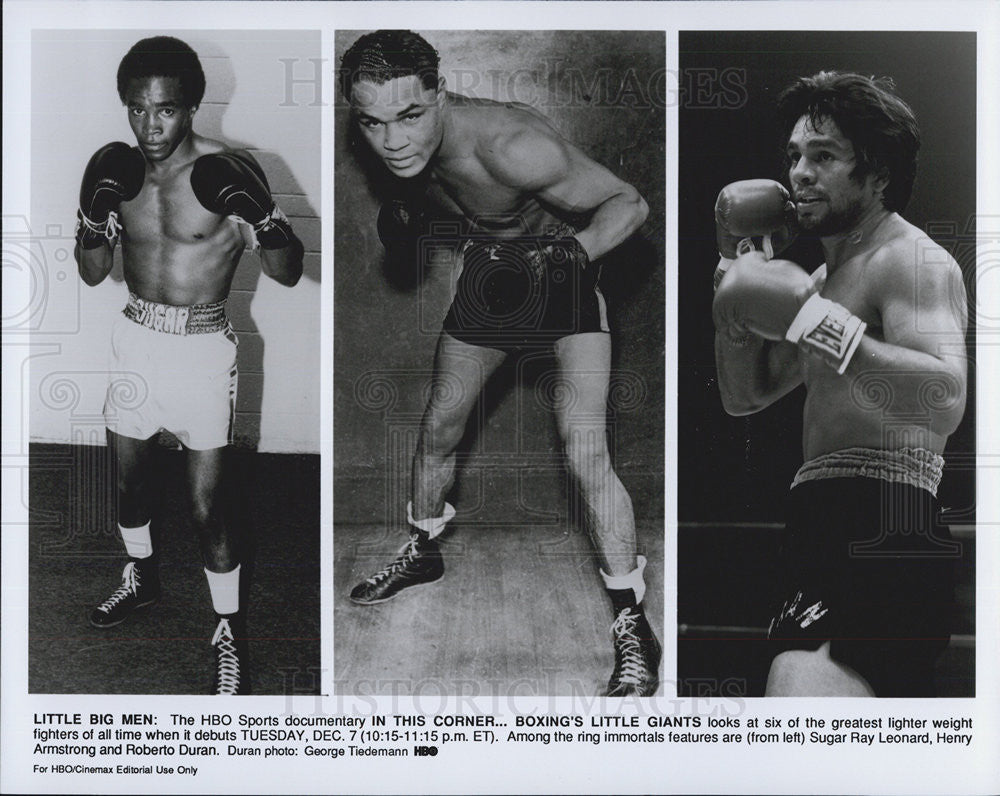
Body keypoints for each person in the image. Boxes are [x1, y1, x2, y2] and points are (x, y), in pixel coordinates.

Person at [340, 30, 659, 696]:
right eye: (372, 122)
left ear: (440, 94)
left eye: (409, 116)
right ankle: (422, 550)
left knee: (584, 451)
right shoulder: (405, 150)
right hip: (492, 277)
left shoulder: (513, 144)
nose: (392, 139)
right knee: (438, 431)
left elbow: (630, 203)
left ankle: (632, 622)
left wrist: (560, 261)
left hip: (562, 275)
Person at [712, 71, 967, 697]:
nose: (799, 173)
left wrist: (817, 324)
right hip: (823, 516)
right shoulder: (825, 277)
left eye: (824, 156)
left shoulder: (909, 259)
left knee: (800, 718)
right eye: (795, 156)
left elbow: (944, 397)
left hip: (881, 514)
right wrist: (733, 305)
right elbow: (745, 397)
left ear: (877, 173)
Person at [75, 36, 304, 695]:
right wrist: (95, 220)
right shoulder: (113, 168)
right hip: (135, 342)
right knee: (130, 488)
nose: (151, 126)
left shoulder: (232, 170)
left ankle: (226, 628)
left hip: (203, 350)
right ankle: (140, 578)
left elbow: (287, 275)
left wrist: (266, 219)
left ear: (194, 106)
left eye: (166, 111)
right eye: (138, 110)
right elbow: (93, 275)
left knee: (209, 508)